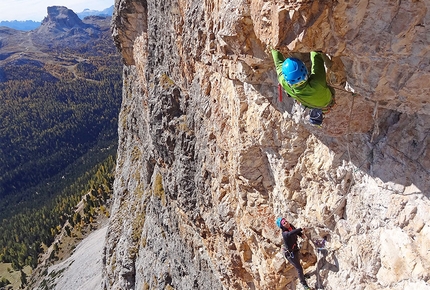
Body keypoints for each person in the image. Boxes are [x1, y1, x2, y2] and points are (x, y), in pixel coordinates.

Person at [271, 49, 334, 125]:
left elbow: (278, 64)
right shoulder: (317, 83)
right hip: (325, 99)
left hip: (322, 104)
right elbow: (317, 58)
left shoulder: (284, 83)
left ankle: (317, 116)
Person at [276, 217, 310, 290]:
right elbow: (291, 233)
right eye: (284, 223)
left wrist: (301, 234)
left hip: (294, 249)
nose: (286, 223)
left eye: (286, 221)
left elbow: (295, 231)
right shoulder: (285, 234)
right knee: (299, 268)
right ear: (282, 226)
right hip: (289, 254)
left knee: (299, 265)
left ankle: (302, 277)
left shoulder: (290, 226)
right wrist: (300, 229)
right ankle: (304, 284)